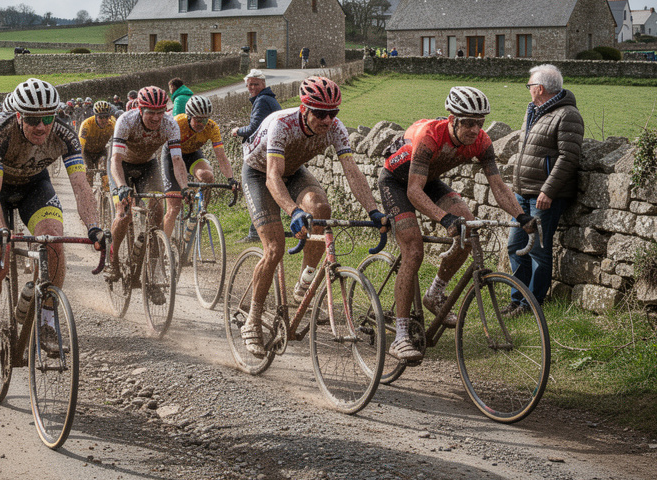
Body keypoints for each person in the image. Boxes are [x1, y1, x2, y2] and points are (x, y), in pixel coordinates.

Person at [376, 86, 535, 364]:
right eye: (469, 123)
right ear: (452, 120)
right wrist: (445, 218)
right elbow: (414, 191)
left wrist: (522, 217)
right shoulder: (429, 136)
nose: (475, 129)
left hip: (428, 179)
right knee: (413, 251)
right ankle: (401, 336)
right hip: (397, 183)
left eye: (480, 123)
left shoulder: (482, 141)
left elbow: (498, 187)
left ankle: (435, 293)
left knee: (468, 230)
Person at [240, 77, 388, 357]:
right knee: (274, 249)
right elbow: (272, 178)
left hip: (293, 171)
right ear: (304, 108)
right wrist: (293, 212)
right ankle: (253, 320)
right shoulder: (281, 124)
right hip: (260, 173)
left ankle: (305, 282)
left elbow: (352, 172)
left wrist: (373, 210)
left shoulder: (335, 129)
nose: (328, 120)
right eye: (320, 113)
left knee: (321, 210)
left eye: (334, 113)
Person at [0, 79, 103, 364]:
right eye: (32, 119)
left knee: (53, 240)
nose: (41, 126)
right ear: (19, 116)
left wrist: (94, 227)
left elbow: (81, 186)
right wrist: (0, 228)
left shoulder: (65, 134)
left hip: (34, 186)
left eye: (47, 118)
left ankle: (46, 320)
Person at [506, 64, 584, 314]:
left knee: (538, 250)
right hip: (522, 193)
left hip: (544, 196)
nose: (528, 90)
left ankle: (532, 303)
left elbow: (568, 157)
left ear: (539, 88)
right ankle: (517, 298)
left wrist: (548, 191)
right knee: (515, 246)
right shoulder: (534, 111)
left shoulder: (567, 114)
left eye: (529, 86)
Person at [106, 86, 189, 281]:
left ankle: (154, 269)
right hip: (122, 165)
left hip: (147, 165)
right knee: (123, 213)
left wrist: (185, 188)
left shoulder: (170, 124)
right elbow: (115, 160)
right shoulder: (126, 121)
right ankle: (113, 259)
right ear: (140, 110)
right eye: (151, 112)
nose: (156, 117)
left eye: (160, 112)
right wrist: (121, 185)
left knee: (157, 209)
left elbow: (177, 161)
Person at [161, 95, 237, 234]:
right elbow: (177, 160)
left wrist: (230, 178)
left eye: (205, 119)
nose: (202, 123)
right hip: (172, 157)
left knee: (207, 176)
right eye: (198, 119)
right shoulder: (177, 123)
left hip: (192, 154)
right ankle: (163, 251)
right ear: (189, 117)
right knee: (173, 209)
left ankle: (201, 211)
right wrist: (183, 187)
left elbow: (221, 156)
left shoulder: (212, 127)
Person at [235, 69, 281, 242]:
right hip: (273, 150)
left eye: (255, 84)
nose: (252, 87)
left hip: (266, 153)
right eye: (249, 85)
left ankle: (255, 233)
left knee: (258, 192)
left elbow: (254, 127)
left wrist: (237, 131)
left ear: (263, 84)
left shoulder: (262, 100)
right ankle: (259, 230)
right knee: (267, 191)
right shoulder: (268, 99)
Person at [79, 99, 117, 186]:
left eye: (106, 117)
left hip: (101, 151)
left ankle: (105, 195)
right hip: (87, 152)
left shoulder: (112, 124)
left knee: (104, 171)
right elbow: (81, 145)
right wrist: (81, 162)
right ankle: (89, 194)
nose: (104, 120)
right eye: (101, 117)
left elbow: (119, 141)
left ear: (109, 116)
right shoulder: (86, 124)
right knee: (88, 172)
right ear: (96, 116)